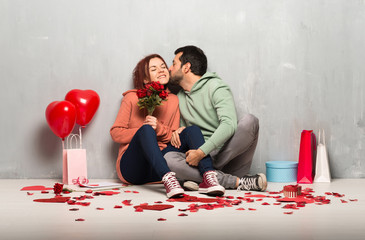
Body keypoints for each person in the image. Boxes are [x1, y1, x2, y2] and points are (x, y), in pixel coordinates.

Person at [110, 54, 225, 198]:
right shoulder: (131, 98)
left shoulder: (173, 100)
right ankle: (169, 179)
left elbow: (173, 137)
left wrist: (159, 128)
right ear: (145, 79)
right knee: (146, 129)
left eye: (163, 67)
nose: (161, 70)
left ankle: (208, 176)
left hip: (158, 167)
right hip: (133, 169)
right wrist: (144, 132)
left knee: (192, 130)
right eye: (154, 69)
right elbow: (116, 133)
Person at [165, 45, 267, 191]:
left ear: (186, 67)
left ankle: (205, 177)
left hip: (223, 154)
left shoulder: (216, 86)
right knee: (168, 159)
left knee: (250, 121)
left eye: (174, 63)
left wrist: (202, 153)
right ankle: (235, 182)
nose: (170, 68)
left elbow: (229, 124)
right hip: (198, 160)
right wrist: (178, 131)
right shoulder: (179, 97)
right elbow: (186, 133)